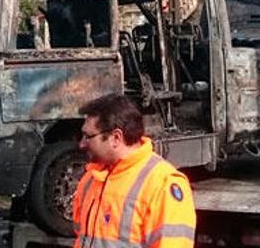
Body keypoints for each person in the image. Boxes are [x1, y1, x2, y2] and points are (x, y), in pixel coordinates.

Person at [72, 94, 196, 248]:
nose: (82, 144)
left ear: (116, 138)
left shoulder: (163, 184)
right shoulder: (91, 178)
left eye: (87, 136)